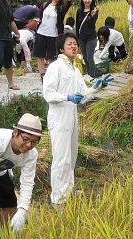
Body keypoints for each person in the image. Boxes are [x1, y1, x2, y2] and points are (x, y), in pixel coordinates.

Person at [42, 33, 112, 207]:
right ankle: (58, 200)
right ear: (61, 49)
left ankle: (68, 191)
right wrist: (67, 97)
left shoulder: (75, 68)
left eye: (75, 44)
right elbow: (48, 93)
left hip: (72, 114)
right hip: (59, 116)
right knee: (61, 158)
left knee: (71, 157)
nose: (74, 47)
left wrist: (96, 88)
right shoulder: (56, 67)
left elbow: (81, 96)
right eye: (69, 44)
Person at [33, 0, 77, 79]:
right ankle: (42, 75)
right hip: (41, 33)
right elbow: (40, 16)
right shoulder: (45, 5)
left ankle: (51, 75)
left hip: (53, 35)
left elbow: (68, 3)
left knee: (52, 57)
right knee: (40, 56)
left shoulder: (61, 8)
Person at [76, 0, 99, 78]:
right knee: (85, 59)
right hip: (81, 38)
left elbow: (92, 24)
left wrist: (92, 16)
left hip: (91, 38)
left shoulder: (95, 10)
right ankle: (88, 75)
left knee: (90, 58)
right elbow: (78, 25)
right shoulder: (79, 10)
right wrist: (77, 37)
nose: (87, 1)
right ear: (82, 0)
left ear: (92, 0)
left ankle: (92, 76)